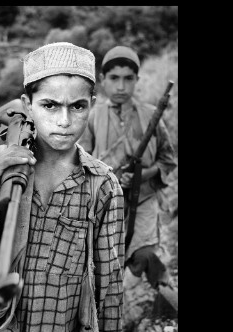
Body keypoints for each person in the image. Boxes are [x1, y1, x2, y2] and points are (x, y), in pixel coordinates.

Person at [0, 42, 125, 332]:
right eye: (49, 105)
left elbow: (110, 290)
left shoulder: (102, 185)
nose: (64, 120)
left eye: (77, 106)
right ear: (26, 103)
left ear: (92, 104)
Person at [78, 46, 178, 311]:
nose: (121, 86)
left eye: (128, 78)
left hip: (143, 200)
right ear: (102, 80)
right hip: (104, 204)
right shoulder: (93, 116)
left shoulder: (150, 116)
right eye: (114, 78)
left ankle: (165, 302)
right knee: (103, 262)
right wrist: (108, 179)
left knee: (145, 255)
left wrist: (143, 175)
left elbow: (168, 160)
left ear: (137, 81)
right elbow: (80, 161)